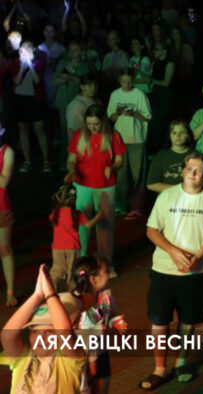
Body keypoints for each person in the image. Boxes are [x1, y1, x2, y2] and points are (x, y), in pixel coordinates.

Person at [140, 151, 203, 389]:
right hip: (164, 269)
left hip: (196, 272)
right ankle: (159, 368)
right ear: (182, 170)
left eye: (198, 170)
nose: (193, 174)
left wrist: (197, 257)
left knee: (188, 320)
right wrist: (172, 251)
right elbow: (151, 230)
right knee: (159, 321)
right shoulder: (167, 196)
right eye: (189, 169)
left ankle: (181, 362)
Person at [0, 264, 85, 392]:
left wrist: (50, 293)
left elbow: (65, 332)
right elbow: (7, 336)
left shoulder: (68, 363)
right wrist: (37, 295)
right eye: (35, 331)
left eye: (49, 331)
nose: (40, 337)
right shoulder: (23, 359)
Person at [65, 105, 123, 271]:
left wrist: (112, 168)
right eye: (89, 124)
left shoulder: (113, 136)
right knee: (81, 225)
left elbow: (120, 160)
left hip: (106, 187)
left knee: (105, 226)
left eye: (96, 124)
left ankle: (105, 263)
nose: (93, 127)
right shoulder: (79, 136)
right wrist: (72, 170)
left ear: (103, 121)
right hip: (82, 186)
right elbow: (71, 160)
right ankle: (81, 261)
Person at [69, 254, 122, 394]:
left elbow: (112, 315)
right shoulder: (74, 302)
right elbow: (70, 333)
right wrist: (95, 331)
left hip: (101, 352)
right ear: (93, 279)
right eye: (106, 271)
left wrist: (115, 322)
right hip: (83, 359)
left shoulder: (106, 294)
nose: (109, 275)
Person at [107, 68, 151, 220]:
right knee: (121, 175)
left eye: (129, 81)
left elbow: (147, 117)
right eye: (124, 81)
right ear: (119, 80)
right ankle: (120, 205)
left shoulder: (140, 95)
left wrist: (134, 114)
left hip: (137, 139)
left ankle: (137, 206)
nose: (126, 84)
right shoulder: (115, 95)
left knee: (138, 175)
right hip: (120, 140)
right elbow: (111, 117)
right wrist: (119, 112)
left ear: (133, 80)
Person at [49, 183, 102, 291]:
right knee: (72, 271)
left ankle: (50, 291)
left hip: (57, 247)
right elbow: (88, 225)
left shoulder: (55, 213)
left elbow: (51, 219)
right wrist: (99, 215)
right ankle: (72, 292)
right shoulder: (76, 214)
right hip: (72, 247)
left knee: (57, 270)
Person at [146, 120, 192, 196]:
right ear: (170, 135)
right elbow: (151, 184)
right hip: (168, 198)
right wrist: (179, 189)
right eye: (174, 133)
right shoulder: (161, 156)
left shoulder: (196, 156)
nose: (178, 136)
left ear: (187, 135)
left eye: (182, 132)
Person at [0, 125, 13, 306]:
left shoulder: (7, 152)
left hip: (1, 207)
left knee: (4, 248)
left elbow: (3, 182)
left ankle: (10, 292)